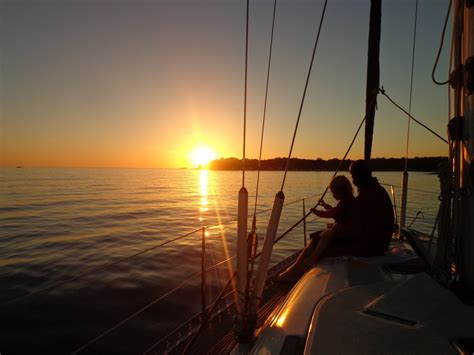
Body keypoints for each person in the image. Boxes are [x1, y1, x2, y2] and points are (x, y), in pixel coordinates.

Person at [276, 160, 394, 282]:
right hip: (374, 242)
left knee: (318, 242)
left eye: (353, 176)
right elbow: (357, 222)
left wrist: (335, 230)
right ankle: (294, 270)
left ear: (361, 174)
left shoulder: (369, 196)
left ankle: (292, 273)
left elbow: (357, 228)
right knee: (319, 237)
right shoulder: (373, 191)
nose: (353, 181)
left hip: (370, 247)